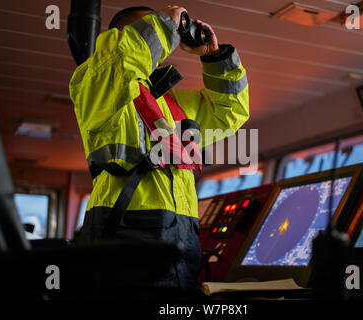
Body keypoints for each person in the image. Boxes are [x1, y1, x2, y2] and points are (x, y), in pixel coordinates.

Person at [69, 5, 249, 290]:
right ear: (120, 37)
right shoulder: (95, 82)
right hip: (123, 230)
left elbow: (230, 112)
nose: (165, 34)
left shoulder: (174, 104)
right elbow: (120, 62)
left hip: (182, 234)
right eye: (150, 27)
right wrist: (167, 24)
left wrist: (215, 59)